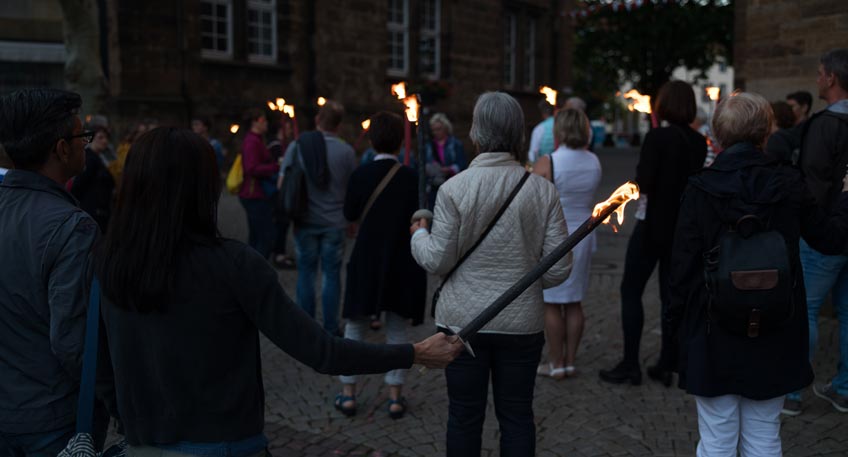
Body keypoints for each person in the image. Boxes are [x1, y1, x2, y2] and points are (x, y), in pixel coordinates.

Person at [93, 127, 463, 455]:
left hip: (143, 444)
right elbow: (322, 351)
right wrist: (414, 353)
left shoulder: (109, 262)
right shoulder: (233, 264)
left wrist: (128, 418)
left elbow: (96, 365)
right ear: (202, 188)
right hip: (223, 444)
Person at [667, 92, 848, 455]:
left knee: (717, 439)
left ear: (719, 135)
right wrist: (845, 197)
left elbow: (681, 274)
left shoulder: (701, 188)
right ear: (765, 132)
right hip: (775, 324)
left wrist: (677, 338)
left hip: (712, 326)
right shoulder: (788, 182)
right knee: (764, 436)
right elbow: (831, 238)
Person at [410, 92, 572, 457]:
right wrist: (523, 281)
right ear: (518, 132)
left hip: (462, 325)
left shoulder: (453, 189)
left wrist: (418, 234)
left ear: (476, 131)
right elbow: (559, 267)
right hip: (521, 325)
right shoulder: (543, 192)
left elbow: (437, 260)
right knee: (516, 417)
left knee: (464, 416)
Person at [0, 89, 108, 454]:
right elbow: (73, 342)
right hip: (52, 419)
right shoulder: (72, 227)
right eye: (82, 137)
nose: (86, 146)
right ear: (62, 148)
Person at [599, 80, 707, 387]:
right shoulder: (698, 142)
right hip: (680, 230)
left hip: (652, 227)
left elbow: (644, 182)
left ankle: (630, 363)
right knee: (669, 296)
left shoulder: (658, 137)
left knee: (631, 291)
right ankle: (668, 361)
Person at [335, 111, 427, 419]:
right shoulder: (412, 177)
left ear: (372, 140)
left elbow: (349, 214)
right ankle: (395, 396)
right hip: (401, 259)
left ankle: (348, 393)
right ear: (401, 141)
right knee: (397, 329)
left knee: (356, 326)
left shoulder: (361, 175)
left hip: (368, 256)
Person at [785, 48, 848, 415]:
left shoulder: (824, 125)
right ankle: (842, 388)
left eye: (820, 73)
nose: (817, 78)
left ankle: (792, 393)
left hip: (825, 233)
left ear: (832, 79)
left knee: (804, 308)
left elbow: (812, 184)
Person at [532, 108, 601, 379]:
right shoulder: (594, 161)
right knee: (574, 302)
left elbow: (534, 200)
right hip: (583, 234)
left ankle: (556, 361)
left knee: (552, 303)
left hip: (555, 235)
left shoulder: (548, 162)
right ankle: (570, 360)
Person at [282, 100, 357, 336]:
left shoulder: (298, 146)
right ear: (339, 125)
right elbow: (351, 191)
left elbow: (282, 183)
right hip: (335, 222)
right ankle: (331, 328)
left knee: (306, 272)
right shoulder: (346, 151)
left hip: (305, 220)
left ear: (317, 120)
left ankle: (306, 328)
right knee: (331, 275)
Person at [239, 108, 279, 259]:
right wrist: (276, 166)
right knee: (266, 236)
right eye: (263, 120)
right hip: (253, 194)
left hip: (256, 193)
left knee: (257, 235)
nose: (266, 123)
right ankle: (257, 270)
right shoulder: (252, 141)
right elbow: (251, 168)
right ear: (254, 122)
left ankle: (251, 269)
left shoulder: (256, 140)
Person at [71, 126, 116, 231]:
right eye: (100, 137)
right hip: (91, 214)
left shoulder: (99, 159)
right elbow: (78, 185)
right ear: (91, 138)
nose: (105, 141)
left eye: (106, 138)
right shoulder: (90, 160)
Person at [421, 113, 467, 208]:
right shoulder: (428, 146)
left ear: (446, 128)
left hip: (452, 184)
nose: (436, 132)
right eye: (433, 130)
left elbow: (462, 164)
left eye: (438, 129)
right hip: (434, 187)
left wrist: (450, 169)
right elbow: (422, 165)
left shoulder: (455, 144)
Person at [267, 117, 296, 269]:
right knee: (280, 222)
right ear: (281, 129)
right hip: (277, 190)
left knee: (283, 223)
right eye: (288, 127)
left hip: (282, 190)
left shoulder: (284, 145)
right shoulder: (275, 146)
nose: (290, 130)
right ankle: (278, 253)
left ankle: (280, 251)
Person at [528, 99, 554, 164]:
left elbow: (533, 154)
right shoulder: (561, 124)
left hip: (544, 166)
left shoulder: (539, 128)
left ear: (541, 113)